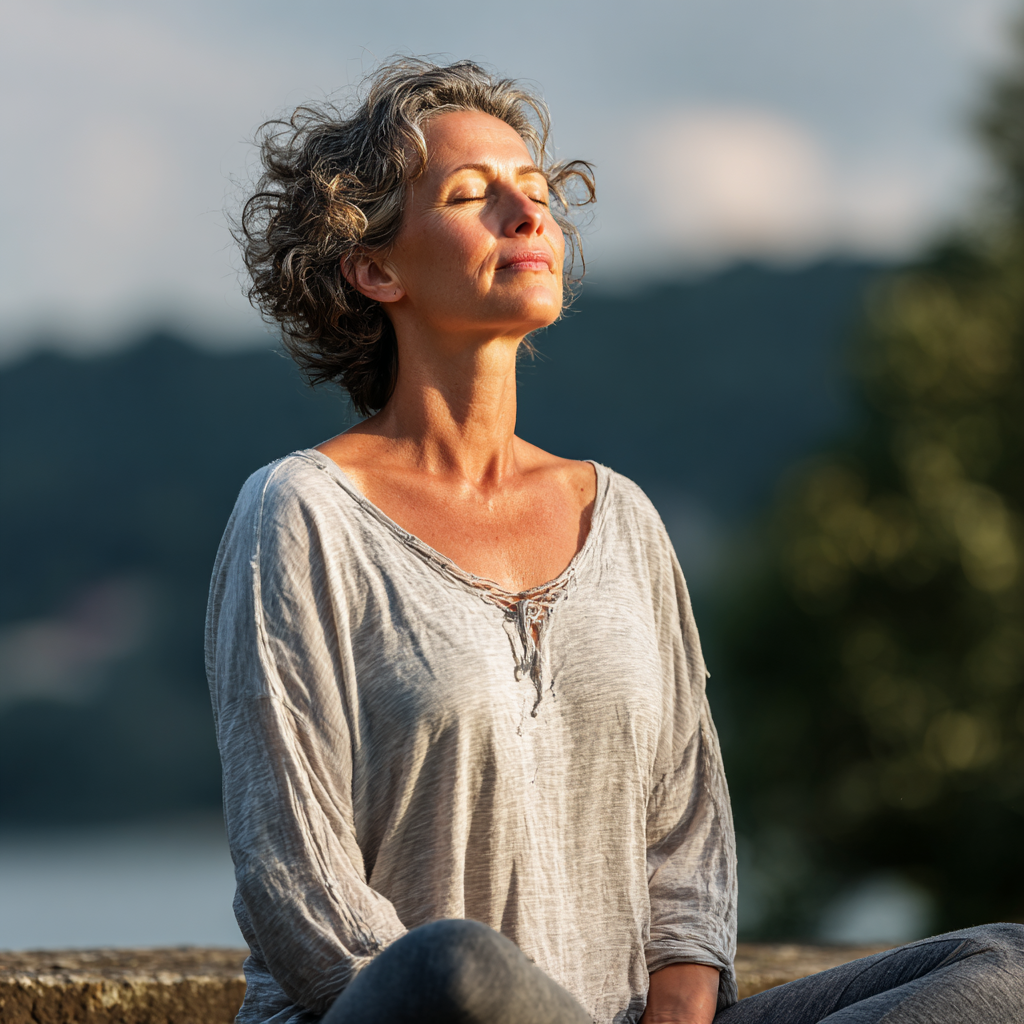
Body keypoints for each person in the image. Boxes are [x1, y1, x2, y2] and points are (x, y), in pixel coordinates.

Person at [206, 57, 1024, 1024]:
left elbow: (687, 836)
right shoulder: (302, 515)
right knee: (452, 968)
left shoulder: (620, 518)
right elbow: (295, 884)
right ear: (374, 268)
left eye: (537, 192)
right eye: (474, 195)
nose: (527, 214)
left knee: (1000, 963)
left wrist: (678, 1005)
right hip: (416, 1011)